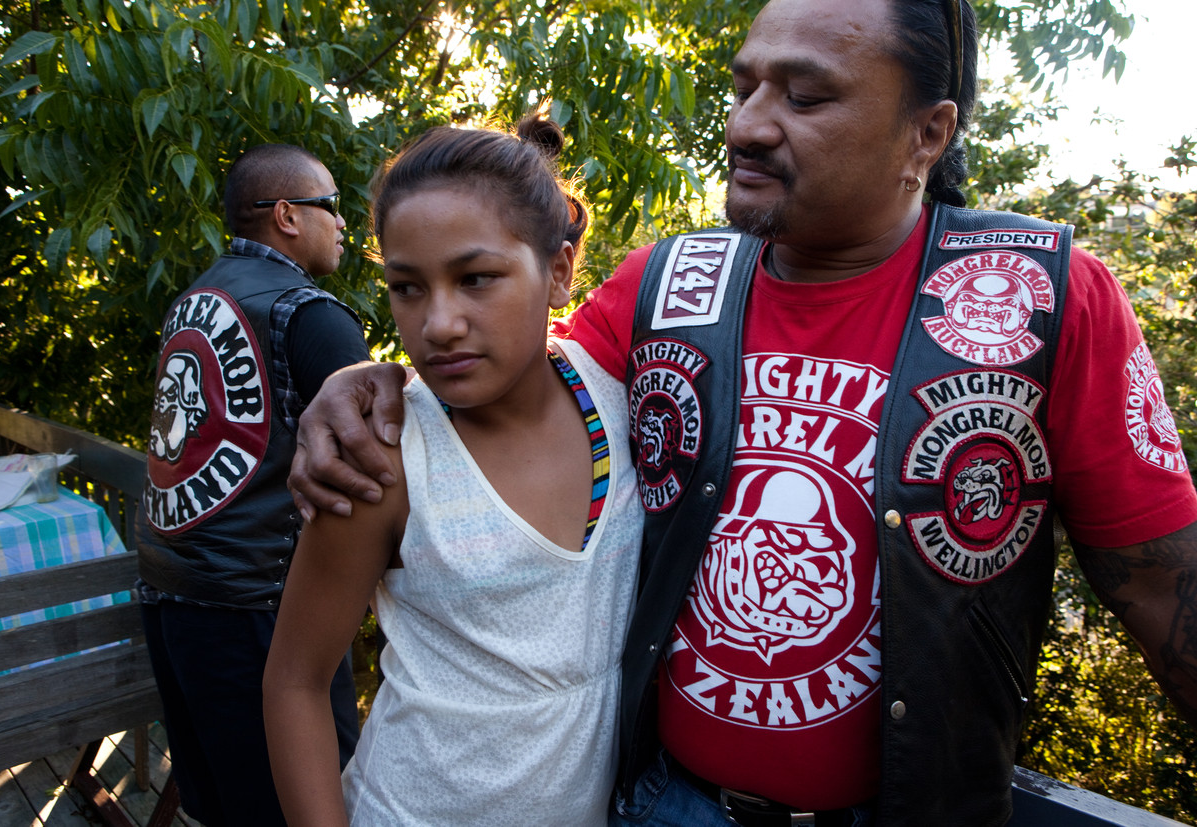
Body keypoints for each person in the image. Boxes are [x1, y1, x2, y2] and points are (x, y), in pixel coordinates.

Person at [286, 0, 1197, 824]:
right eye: (745, 84)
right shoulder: (668, 288)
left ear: (927, 133)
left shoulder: (1039, 298)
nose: (748, 124)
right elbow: (503, 366)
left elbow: (1160, 586)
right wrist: (367, 379)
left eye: (805, 97)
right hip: (664, 805)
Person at [261, 118, 644, 826]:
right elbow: (296, 681)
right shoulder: (387, 456)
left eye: (476, 278)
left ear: (558, 271)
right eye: (408, 288)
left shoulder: (628, 410)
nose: (439, 322)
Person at [134, 143, 367, 826]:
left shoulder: (192, 300)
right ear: (288, 216)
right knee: (309, 800)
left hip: (169, 594)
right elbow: (381, 462)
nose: (343, 222)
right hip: (260, 610)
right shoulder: (309, 314)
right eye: (331, 206)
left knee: (222, 804)